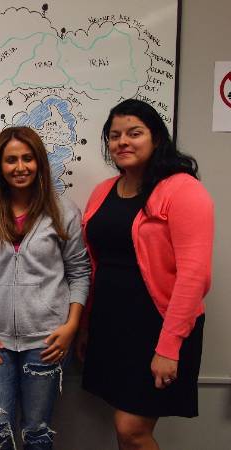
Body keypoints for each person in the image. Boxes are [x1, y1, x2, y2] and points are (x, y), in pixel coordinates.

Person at [77, 99, 214, 450]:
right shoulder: (103, 191)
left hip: (157, 327)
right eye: (114, 135)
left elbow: (193, 276)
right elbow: (97, 264)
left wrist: (169, 348)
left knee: (131, 429)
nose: (122, 142)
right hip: (111, 324)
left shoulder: (183, 190)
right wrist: (86, 326)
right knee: (121, 423)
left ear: (156, 138)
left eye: (134, 133)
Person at [0, 126, 90, 450]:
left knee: (37, 432)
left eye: (28, 158)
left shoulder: (64, 212)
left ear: (39, 163)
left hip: (47, 340)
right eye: (11, 160)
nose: (20, 167)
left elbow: (79, 273)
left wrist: (71, 326)